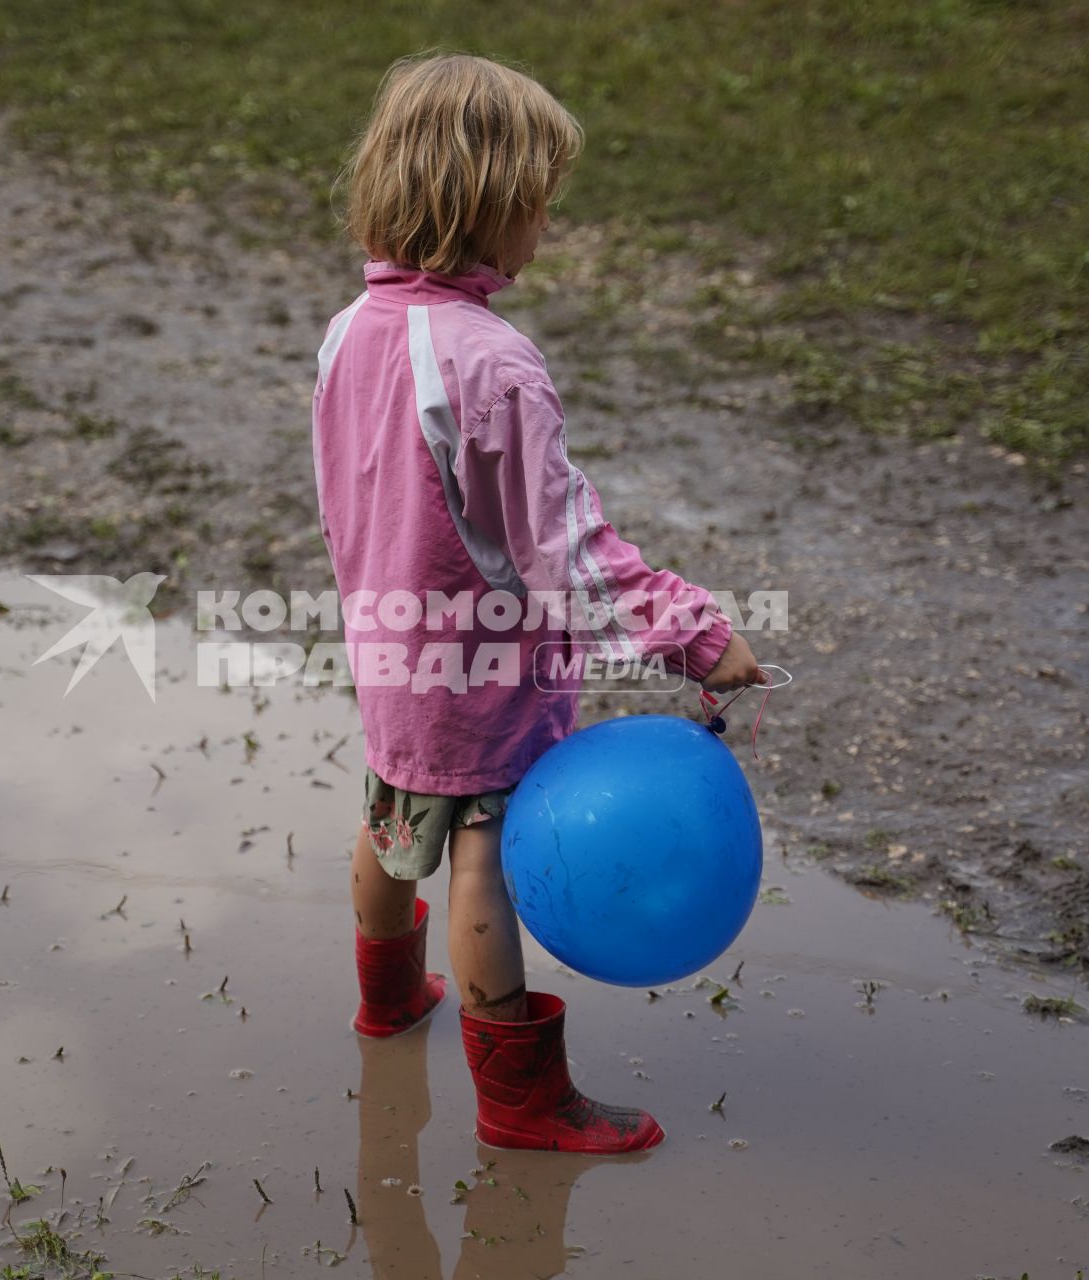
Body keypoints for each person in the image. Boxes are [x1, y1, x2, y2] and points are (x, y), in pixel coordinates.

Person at [313, 51, 764, 1155]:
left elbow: (342, 493)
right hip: (481, 666)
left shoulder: (345, 331)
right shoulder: (494, 363)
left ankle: (385, 1000)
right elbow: (568, 551)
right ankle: (519, 1099)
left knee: (391, 816)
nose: (548, 229)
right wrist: (695, 633)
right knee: (484, 851)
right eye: (541, 204)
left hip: (388, 648)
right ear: (490, 207)